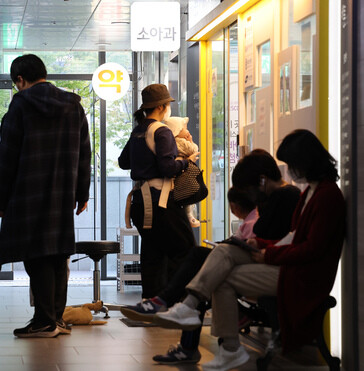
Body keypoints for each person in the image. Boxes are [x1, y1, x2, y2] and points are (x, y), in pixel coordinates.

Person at [153, 131, 345, 370]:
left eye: (293, 164)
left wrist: (268, 252)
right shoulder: (310, 192)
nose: (291, 170)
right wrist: (263, 246)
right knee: (223, 258)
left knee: (220, 269)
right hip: (290, 268)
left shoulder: (326, 196)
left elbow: (311, 249)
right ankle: (202, 319)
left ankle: (206, 323)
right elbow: (294, 240)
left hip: (301, 276)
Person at [121, 149, 300, 365]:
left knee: (203, 263)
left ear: (261, 181)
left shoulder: (285, 196)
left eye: (248, 189)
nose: (249, 197)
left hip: (269, 259)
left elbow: (266, 232)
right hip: (262, 256)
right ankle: (178, 310)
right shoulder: (277, 197)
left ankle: (174, 311)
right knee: (201, 259)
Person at [0, 54, 91, 338]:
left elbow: (7, 155)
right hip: (62, 193)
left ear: (20, 80)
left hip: (28, 192)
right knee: (59, 254)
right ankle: (55, 319)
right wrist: (82, 193)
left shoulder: (20, 105)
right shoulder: (74, 105)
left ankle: (45, 320)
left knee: (36, 255)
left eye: (16, 83)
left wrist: (1, 201)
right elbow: (85, 153)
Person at [118, 84, 198, 299]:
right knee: (185, 249)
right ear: (163, 107)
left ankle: (151, 301)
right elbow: (168, 167)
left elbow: (123, 162)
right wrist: (185, 162)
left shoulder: (139, 130)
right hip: (160, 201)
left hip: (140, 203)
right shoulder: (161, 131)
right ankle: (177, 301)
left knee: (153, 253)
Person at [163, 116, 201, 227]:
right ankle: (189, 217)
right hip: (181, 173)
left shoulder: (172, 142)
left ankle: (189, 216)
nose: (187, 130)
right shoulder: (179, 142)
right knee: (188, 194)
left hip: (178, 174)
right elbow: (193, 150)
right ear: (177, 131)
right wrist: (191, 141)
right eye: (184, 128)